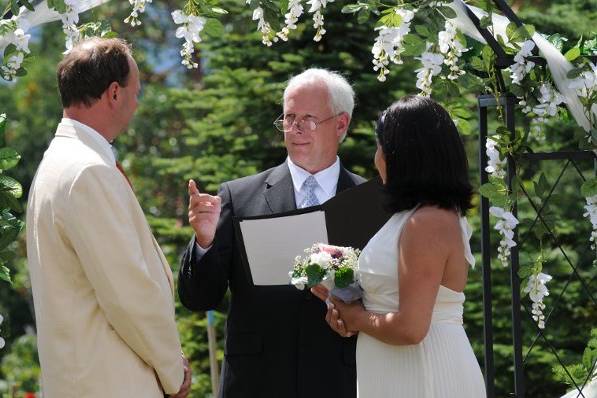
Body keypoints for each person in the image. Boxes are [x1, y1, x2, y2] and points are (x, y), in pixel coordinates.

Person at [178, 68, 365, 398]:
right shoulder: (239, 197)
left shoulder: (368, 203)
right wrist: (204, 241)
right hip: (256, 382)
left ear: (341, 124)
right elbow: (199, 298)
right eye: (289, 118)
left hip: (342, 380)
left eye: (307, 119)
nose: (294, 129)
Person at [26, 37, 191, 398]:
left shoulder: (58, 162)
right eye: (136, 91)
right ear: (114, 93)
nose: (137, 102)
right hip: (113, 383)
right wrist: (172, 370)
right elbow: (128, 294)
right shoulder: (87, 171)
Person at [312, 95, 486, 397]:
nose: (376, 157)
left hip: (424, 372)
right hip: (394, 370)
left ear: (401, 154)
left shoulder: (428, 221)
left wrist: (355, 317)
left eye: (381, 146)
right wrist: (340, 293)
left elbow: (410, 328)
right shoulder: (412, 216)